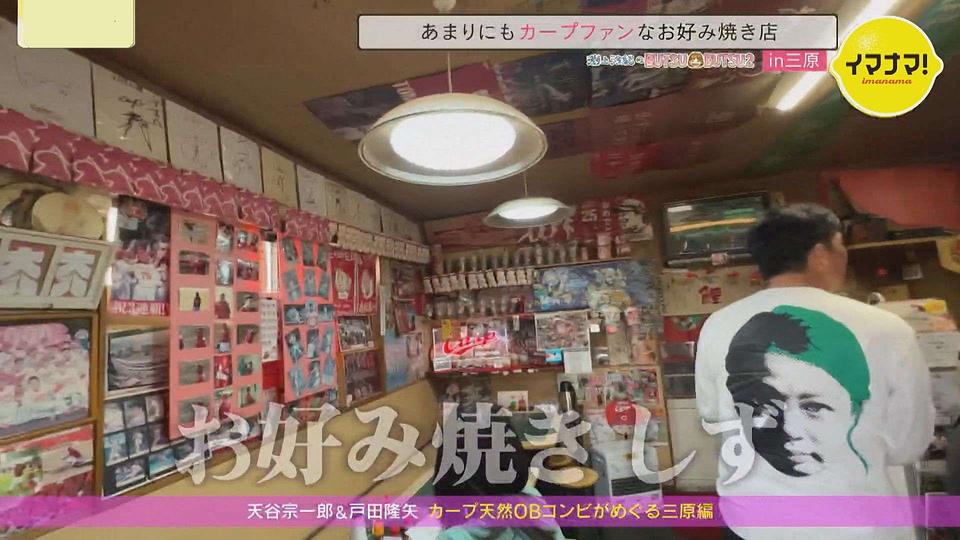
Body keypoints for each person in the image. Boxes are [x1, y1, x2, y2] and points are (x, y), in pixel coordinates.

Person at [695, 204, 934, 540]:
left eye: (813, 406)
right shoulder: (886, 329)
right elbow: (908, 444)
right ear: (821, 254)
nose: (791, 429)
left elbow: (712, 414)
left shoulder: (718, 325)